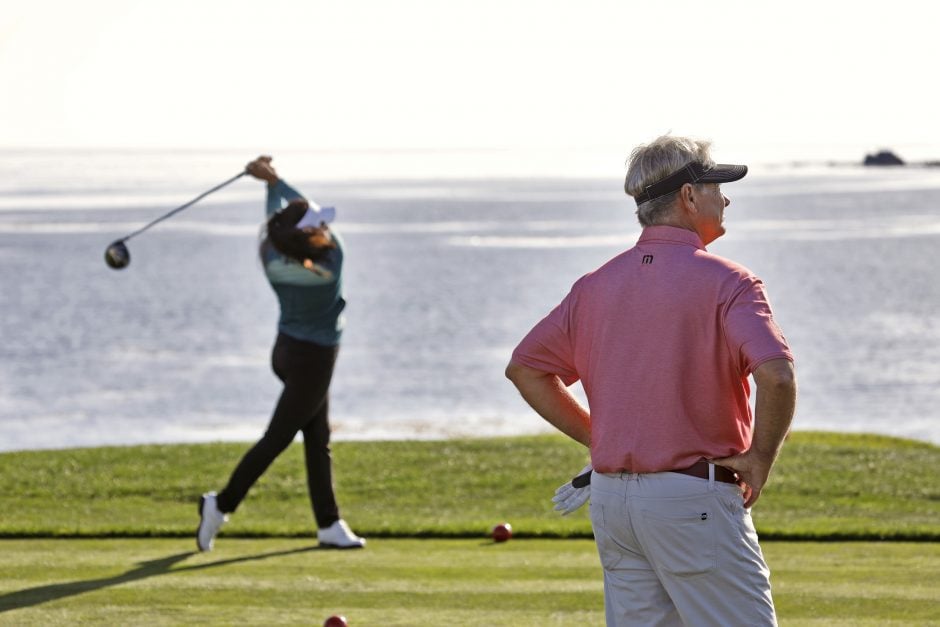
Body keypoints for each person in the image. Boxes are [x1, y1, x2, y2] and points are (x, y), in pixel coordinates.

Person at [506, 135, 796, 626]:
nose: (725, 199)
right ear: (687, 196)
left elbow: (526, 369)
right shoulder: (731, 282)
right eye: (714, 187)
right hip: (693, 501)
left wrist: (601, 438)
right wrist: (760, 459)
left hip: (614, 503)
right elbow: (778, 376)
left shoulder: (594, 285)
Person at [197, 155, 365, 551]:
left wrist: (271, 185)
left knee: (317, 435)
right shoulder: (331, 262)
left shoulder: (271, 256)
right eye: (320, 224)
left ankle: (328, 523)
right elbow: (293, 219)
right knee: (277, 438)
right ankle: (220, 504)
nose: (326, 226)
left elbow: (282, 222)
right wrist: (276, 180)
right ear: (314, 237)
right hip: (315, 361)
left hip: (286, 353)